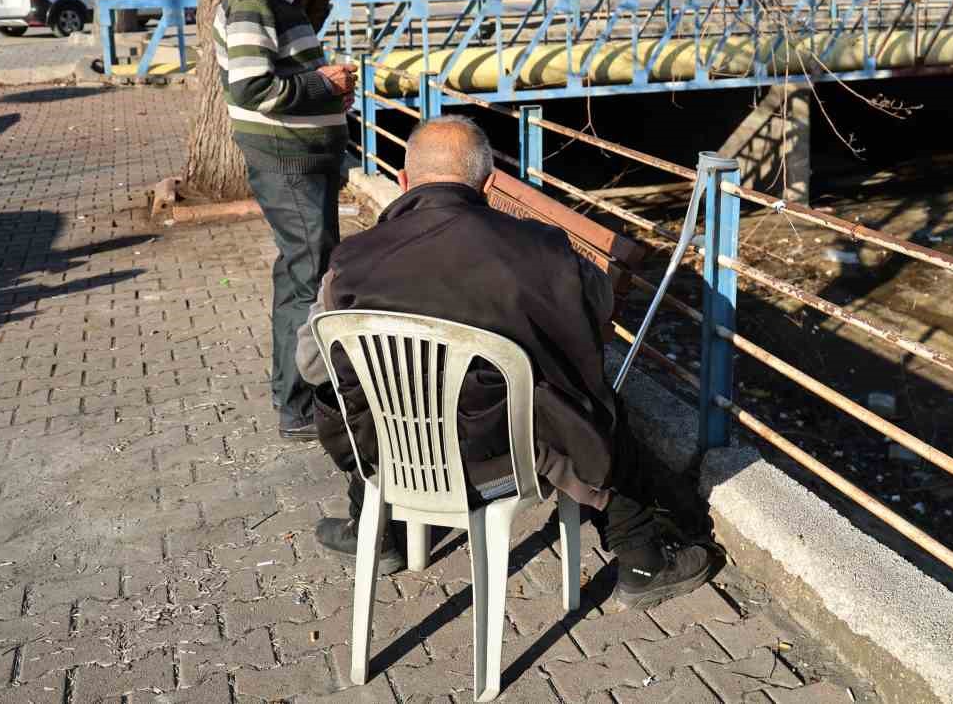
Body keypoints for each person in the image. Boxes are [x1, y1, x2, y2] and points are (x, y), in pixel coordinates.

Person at [295, 116, 722, 610]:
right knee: (596, 409)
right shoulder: (540, 248)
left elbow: (311, 365)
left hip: (391, 458)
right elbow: (597, 312)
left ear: (406, 182)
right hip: (502, 464)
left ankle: (376, 527)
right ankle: (642, 560)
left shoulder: (351, 258)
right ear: (489, 183)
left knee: (369, 390)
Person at [213, 0, 356, 441]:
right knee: (308, 278)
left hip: (300, 158)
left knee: (299, 274)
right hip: (287, 163)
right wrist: (324, 85)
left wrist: (325, 87)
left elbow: (280, 79)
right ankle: (298, 408)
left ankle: (293, 394)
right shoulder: (254, 1)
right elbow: (251, 87)